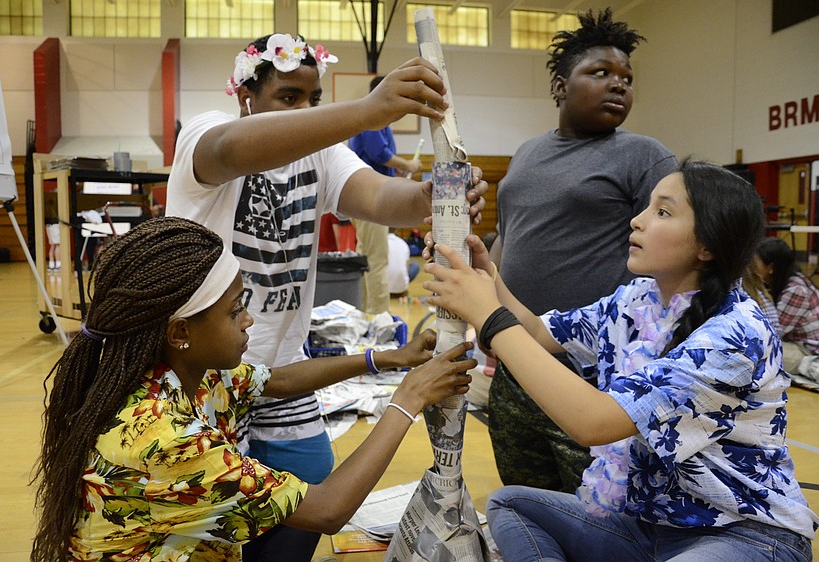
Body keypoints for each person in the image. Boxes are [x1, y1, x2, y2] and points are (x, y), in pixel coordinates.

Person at [164, 33, 487, 561]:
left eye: (312, 98)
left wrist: (431, 197)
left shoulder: (323, 155)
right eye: (288, 97)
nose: (305, 110)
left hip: (281, 370)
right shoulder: (206, 131)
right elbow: (227, 149)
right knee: (213, 523)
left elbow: (382, 197)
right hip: (203, 375)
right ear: (245, 97)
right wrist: (365, 111)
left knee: (309, 483)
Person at [425, 161, 818, 561]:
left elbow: (593, 423)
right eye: (647, 206)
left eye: (662, 212)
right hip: (650, 527)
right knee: (511, 505)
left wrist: (490, 317)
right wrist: (487, 276)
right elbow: (539, 333)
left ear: (707, 246)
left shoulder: (735, 334)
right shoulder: (636, 299)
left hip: (744, 534)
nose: (637, 221)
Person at [30, 217, 474, 562]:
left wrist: (391, 358)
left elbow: (279, 380)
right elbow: (328, 511)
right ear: (180, 332)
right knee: (308, 503)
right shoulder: (163, 439)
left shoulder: (181, 373)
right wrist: (408, 398)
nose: (248, 319)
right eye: (234, 311)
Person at [485, 7, 678, 493]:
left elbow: (672, 261)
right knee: (527, 498)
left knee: (593, 510)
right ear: (560, 86)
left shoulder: (644, 156)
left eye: (627, 78)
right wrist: (487, 309)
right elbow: (508, 237)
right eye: (601, 72)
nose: (618, 85)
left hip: (593, 374)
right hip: (517, 361)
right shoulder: (527, 153)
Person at [349, 75, 423, 314]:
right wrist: (407, 165)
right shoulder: (373, 116)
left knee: (367, 257)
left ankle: (366, 311)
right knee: (377, 259)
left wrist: (397, 168)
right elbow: (378, 153)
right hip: (368, 197)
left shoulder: (374, 118)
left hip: (364, 197)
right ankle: (378, 316)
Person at [756, 236, 819, 376]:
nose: (751, 268)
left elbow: (774, 332)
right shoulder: (787, 281)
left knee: (757, 352)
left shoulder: (796, 290)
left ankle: (811, 366)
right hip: (797, 343)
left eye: (755, 263)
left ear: (771, 268)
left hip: (809, 350)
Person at [388, 228, 419, 296]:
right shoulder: (403, 243)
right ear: (396, 229)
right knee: (415, 266)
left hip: (382, 288)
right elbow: (406, 268)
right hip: (401, 289)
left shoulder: (379, 242)